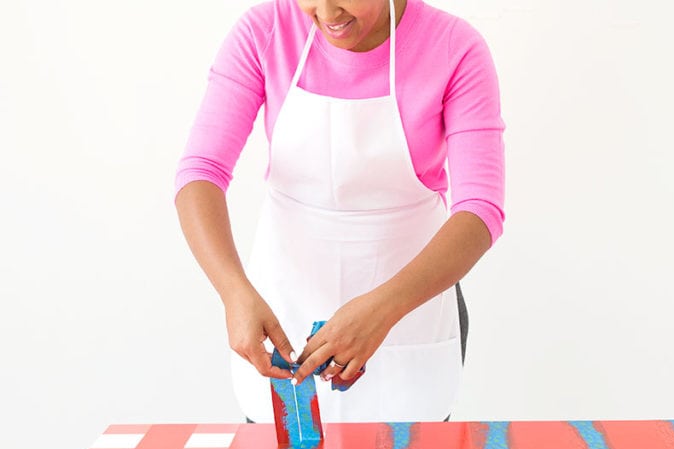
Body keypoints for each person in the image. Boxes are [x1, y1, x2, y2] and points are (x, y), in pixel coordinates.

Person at [174, 0, 505, 423]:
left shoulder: (454, 49)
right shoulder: (266, 31)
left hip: (409, 314)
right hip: (283, 310)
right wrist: (233, 292)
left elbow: (481, 210)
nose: (328, 13)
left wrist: (384, 309)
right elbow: (202, 170)